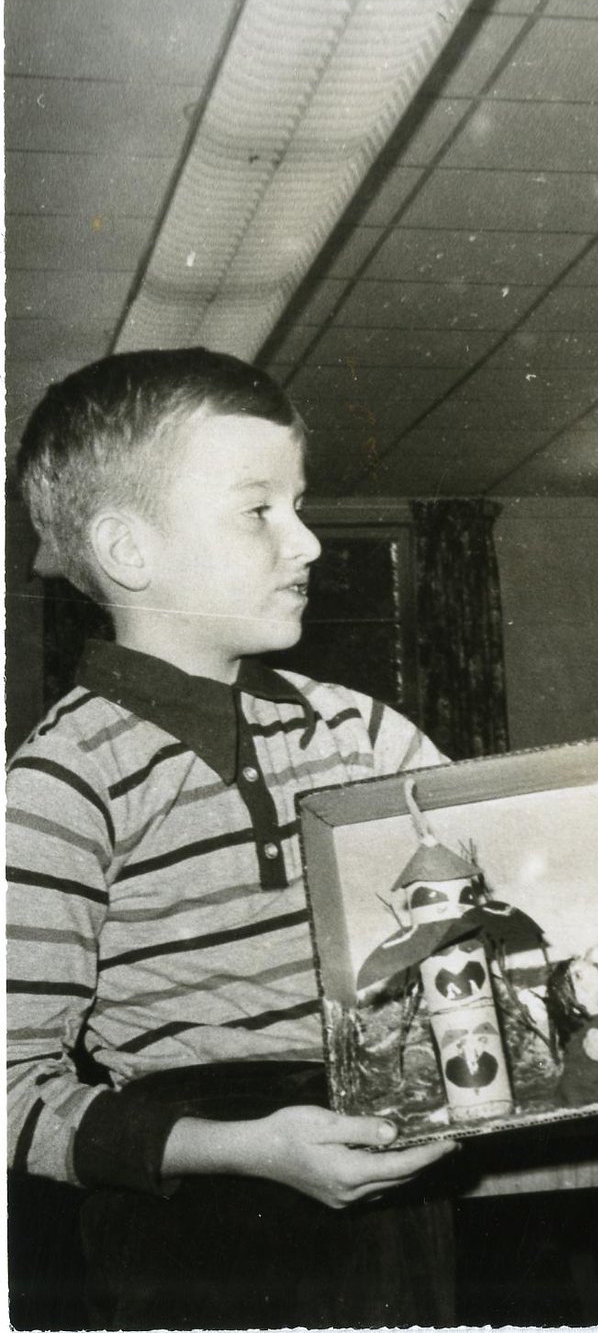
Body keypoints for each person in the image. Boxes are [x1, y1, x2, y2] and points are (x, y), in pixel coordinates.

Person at [4, 348, 469, 1327]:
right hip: (193, 1229)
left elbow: (508, 942)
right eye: (260, 510)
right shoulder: (59, 784)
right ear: (130, 549)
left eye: (297, 505)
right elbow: (10, 1097)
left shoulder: (369, 737)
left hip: (391, 1212)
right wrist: (244, 1147)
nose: (305, 543)